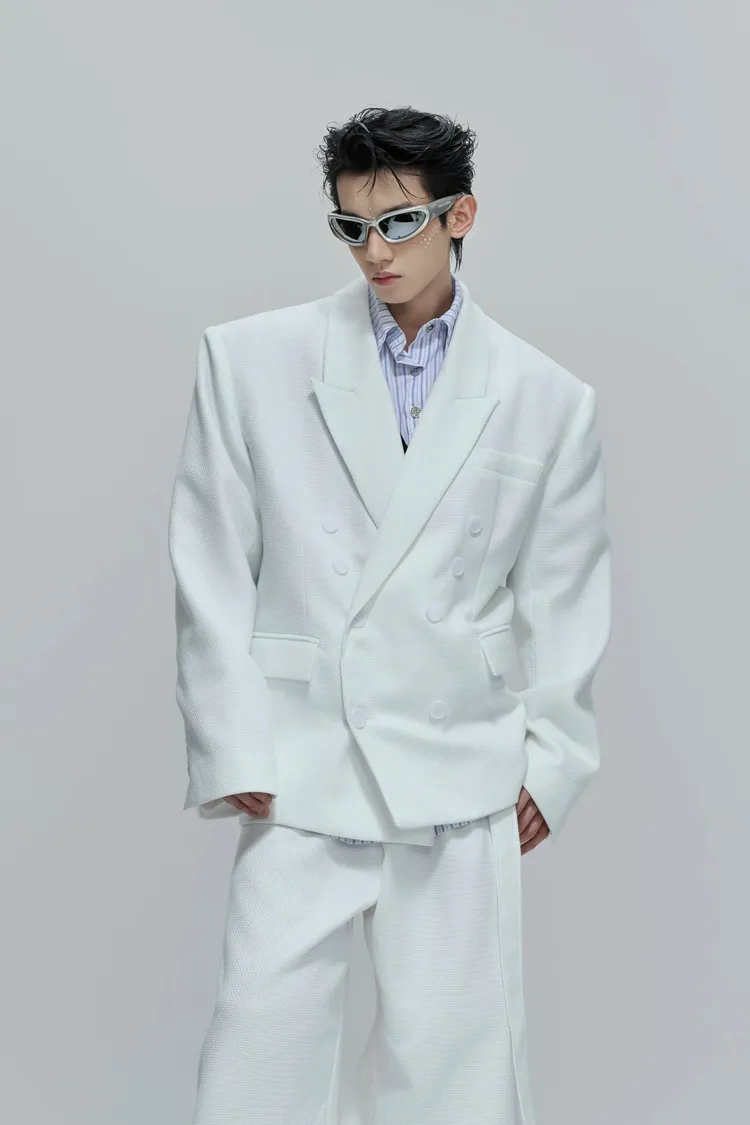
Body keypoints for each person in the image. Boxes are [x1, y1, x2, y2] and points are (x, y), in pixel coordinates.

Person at [167, 104, 612, 1125]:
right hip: (299, 759)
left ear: (461, 216)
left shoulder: (547, 397)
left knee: (454, 1069)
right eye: (352, 226)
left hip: (459, 765)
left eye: (400, 222)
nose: (376, 252)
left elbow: (566, 594)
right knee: (259, 1050)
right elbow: (210, 562)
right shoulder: (249, 360)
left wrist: (554, 759)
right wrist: (230, 740)